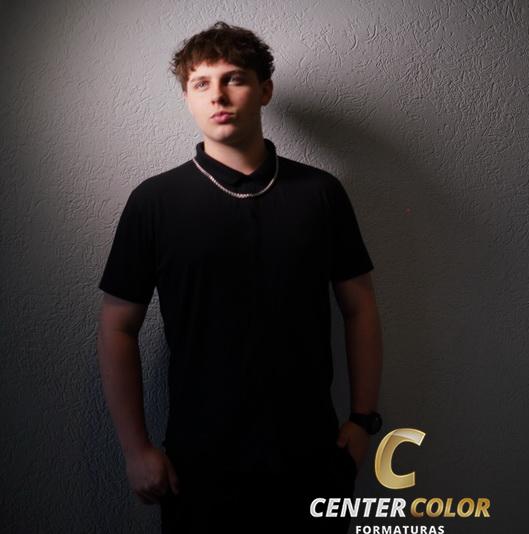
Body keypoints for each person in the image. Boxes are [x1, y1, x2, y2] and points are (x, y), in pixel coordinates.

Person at [95, 21, 383, 533]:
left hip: (312, 457)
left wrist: (363, 420)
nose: (218, 95)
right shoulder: (154, 202)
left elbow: (359, 308)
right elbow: (117, 326)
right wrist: (135, 449)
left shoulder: (320, 194)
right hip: (197, 466)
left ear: (264, 89)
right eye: (201, 83)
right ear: (187, 97)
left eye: (234, 78)